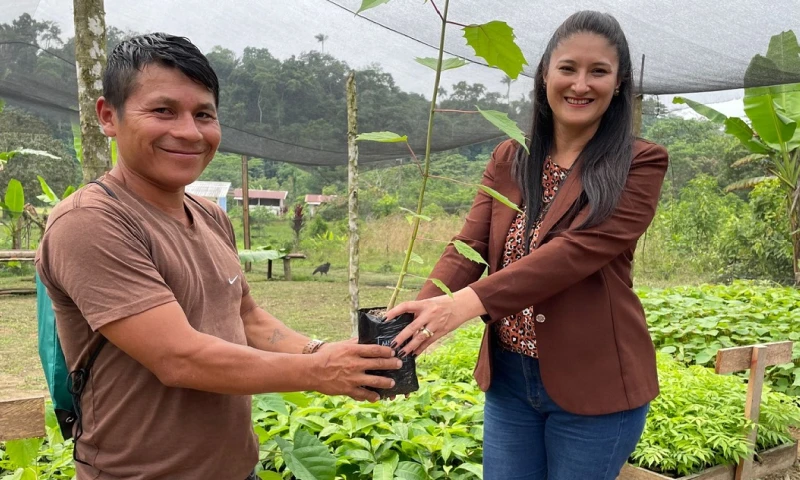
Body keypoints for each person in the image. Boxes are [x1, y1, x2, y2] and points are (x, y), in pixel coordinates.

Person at [35, 33, 401, 480]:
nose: (189, 132)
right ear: (108, 116)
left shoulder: (208, 215)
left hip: (235, 468)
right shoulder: (91, 222)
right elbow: (179, 358)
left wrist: (324, 351)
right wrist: (320, 371)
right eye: (163, 110)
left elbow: (248, 318)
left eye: (203, 114)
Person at [386, 11, 669, 480]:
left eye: (598, 71)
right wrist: (420, 316)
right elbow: (468, 245)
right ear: (544, 74)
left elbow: (577, 252)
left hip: (595, 383)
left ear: (618, 83)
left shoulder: (640, 162)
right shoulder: (510, 156)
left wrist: (466, 305)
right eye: (568, 68)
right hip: (510, 381)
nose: (581, 84)